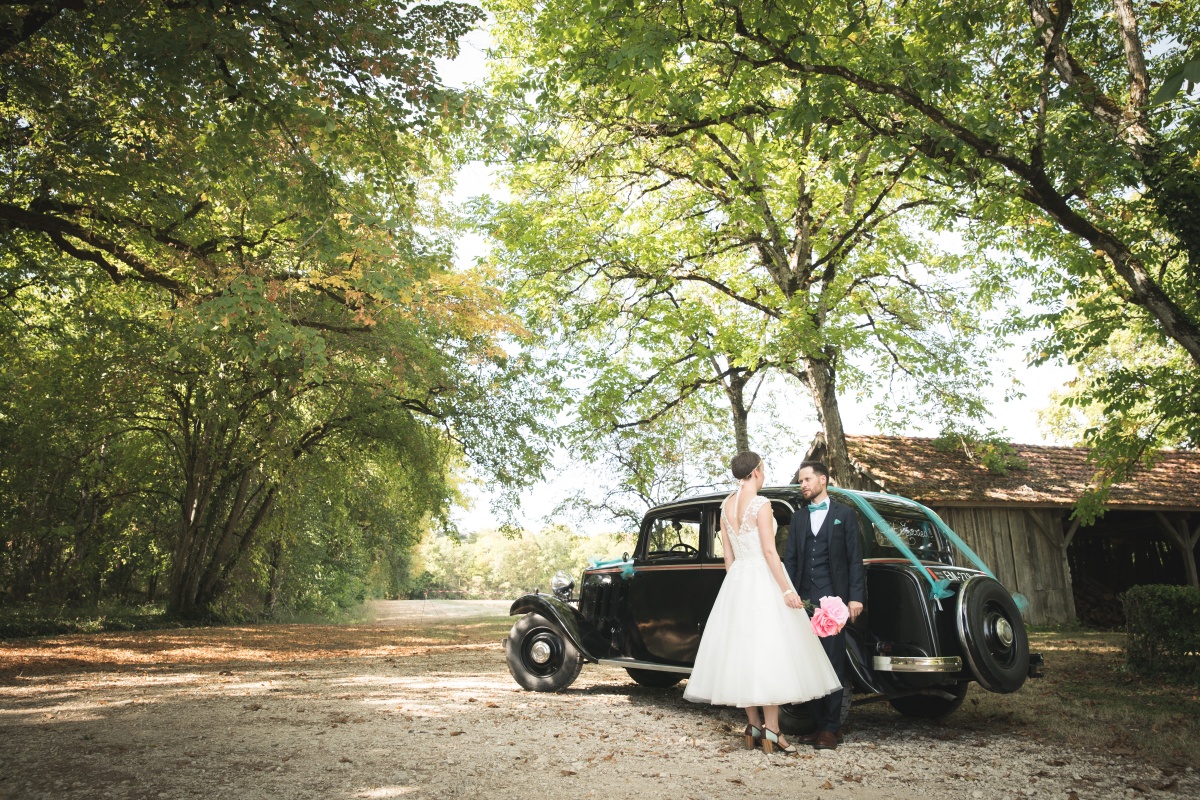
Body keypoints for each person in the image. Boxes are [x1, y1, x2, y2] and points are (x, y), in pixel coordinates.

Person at [684, 451, 842, 754]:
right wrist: (786, 590)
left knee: (743, 654)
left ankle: (753, 725)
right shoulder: (761, 504)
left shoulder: (725, 506)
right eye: (764, 468)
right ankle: (773, 731)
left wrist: (738, 586)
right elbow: (770, 553)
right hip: (764, 578)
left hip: (738, 581)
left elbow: (728, 560)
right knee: (770, 653)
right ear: (756, 471)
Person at [783, 460, 865, 750]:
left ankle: (832, 728)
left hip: (835, 600)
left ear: (823, 480)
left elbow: (855, 559)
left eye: (807, 479)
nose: (802, 484)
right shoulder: (800, 518)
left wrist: (856, 597)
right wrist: (787, 594)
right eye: (800, 480)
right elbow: (790, 559)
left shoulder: (846, 515)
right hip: (803, 600)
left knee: (832, 663)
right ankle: (819, 726)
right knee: (809, 663)